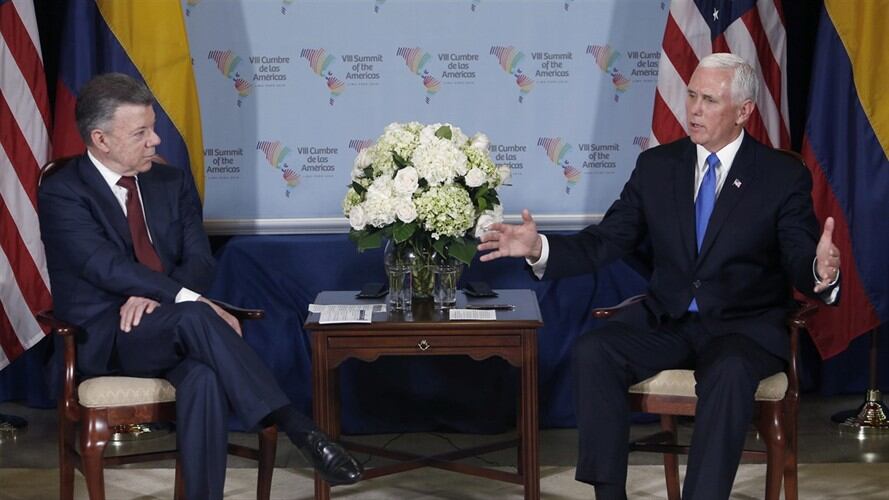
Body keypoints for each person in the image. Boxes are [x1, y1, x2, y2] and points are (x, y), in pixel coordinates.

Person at [478, 53, 840, 500]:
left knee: (728, 372)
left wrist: (821, 271)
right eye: (691, 95)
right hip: (667, 321)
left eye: (709, 99)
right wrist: (539, 247)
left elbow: (799, 254)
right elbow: (606, 240)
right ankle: (609, 494)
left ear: (744, 111)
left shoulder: (779, 175)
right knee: (595, 349)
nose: (694, 109)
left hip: (742, 327)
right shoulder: (658, 166)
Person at [38, 73, 363, 499]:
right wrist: (173, 296)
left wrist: (156, 293)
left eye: (152, 127)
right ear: (101, 139)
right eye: (141, 132)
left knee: (204, 377)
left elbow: (200, 262)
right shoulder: (63, 191)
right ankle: (297, 426)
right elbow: (106, 267)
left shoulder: (169, 182)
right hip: (106, 336)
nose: (156, 140)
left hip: (172, 329)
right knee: (195, 312)